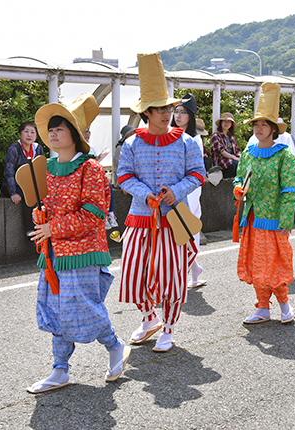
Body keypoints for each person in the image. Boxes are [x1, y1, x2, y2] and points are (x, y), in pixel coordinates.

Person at [26, 93, 128, 394]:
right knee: (56, 310)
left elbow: (94, 214)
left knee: (82, 309)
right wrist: (40, 214)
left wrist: (52, 227)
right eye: (51, 129)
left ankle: (115, 346)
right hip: (54, 253)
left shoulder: (91, 168)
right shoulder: (45, 167)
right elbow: (46, 204)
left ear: (74, 134)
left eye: (60, 128)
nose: (53, 133)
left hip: (83, 253)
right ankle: (60, 369)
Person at [117, 53, 205, 352]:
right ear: (146, 113)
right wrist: (146, 193)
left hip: (172, 220)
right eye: (159, 109)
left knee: (172, 276)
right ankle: (147, 317)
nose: (166, 113)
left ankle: (168, 328)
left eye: (168, 107)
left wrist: (175, 191)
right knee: (133, 273)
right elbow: (124, 176)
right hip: (140, 217)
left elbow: (198, 174)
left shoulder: (186, 142)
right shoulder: (132, 142)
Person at [234, 82, 295, 324]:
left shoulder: (284, 155)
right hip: (252, 217)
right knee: (256, 265)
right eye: (256, 124)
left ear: (273, 129)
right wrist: (238, 189)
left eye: (263, 124)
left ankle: (284, 304)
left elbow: (290, 190)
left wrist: (286, 219)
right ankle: (262, 307)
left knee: (274, 265)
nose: (258, 128)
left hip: (274, 219)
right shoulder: (248, 153)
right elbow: (239, 178)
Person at [172, 93, 207, 288]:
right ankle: (193, 270)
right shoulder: (169, 135)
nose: (178, 115)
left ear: (191, 116)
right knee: (179, 229)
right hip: (173, 190)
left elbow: (195, 171)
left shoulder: (194, 139)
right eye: (176, 111)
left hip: (189, 189)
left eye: (183, 112)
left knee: (186, 227)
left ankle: (186, 272)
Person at [3, 121, 45, 238]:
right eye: (26, 131)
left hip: (31, 185)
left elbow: (41, 170)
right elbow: (9, 171)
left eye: (32, 132)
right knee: (28, 195)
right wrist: (13, 192)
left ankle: (45, 229)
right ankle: (30, 231)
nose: (29, 135)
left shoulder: (38, 148)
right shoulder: (14, 149)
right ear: (20, 134)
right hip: (14, 185)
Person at [82, 126, 119, 230]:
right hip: (85, 178)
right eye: (84, 132)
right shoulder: (76, 147)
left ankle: (110, 214)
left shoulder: (91, 147)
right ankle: (104, 216)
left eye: (88, 132)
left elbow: (94, 162)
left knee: (108, 185)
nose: (87, 134)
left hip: (93, 174)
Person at [211, 112, 241, 178]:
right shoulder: (216, 135)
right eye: (224, 121)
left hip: (232, 161)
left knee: (244, 165)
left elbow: (237, 151)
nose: (226, 123)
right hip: (222, 162)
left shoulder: (232, 137)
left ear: (231, 124)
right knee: (234, 164)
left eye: (229, 122)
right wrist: (234, 157)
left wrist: (242, 158)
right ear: (221, 122)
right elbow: (221, 151)